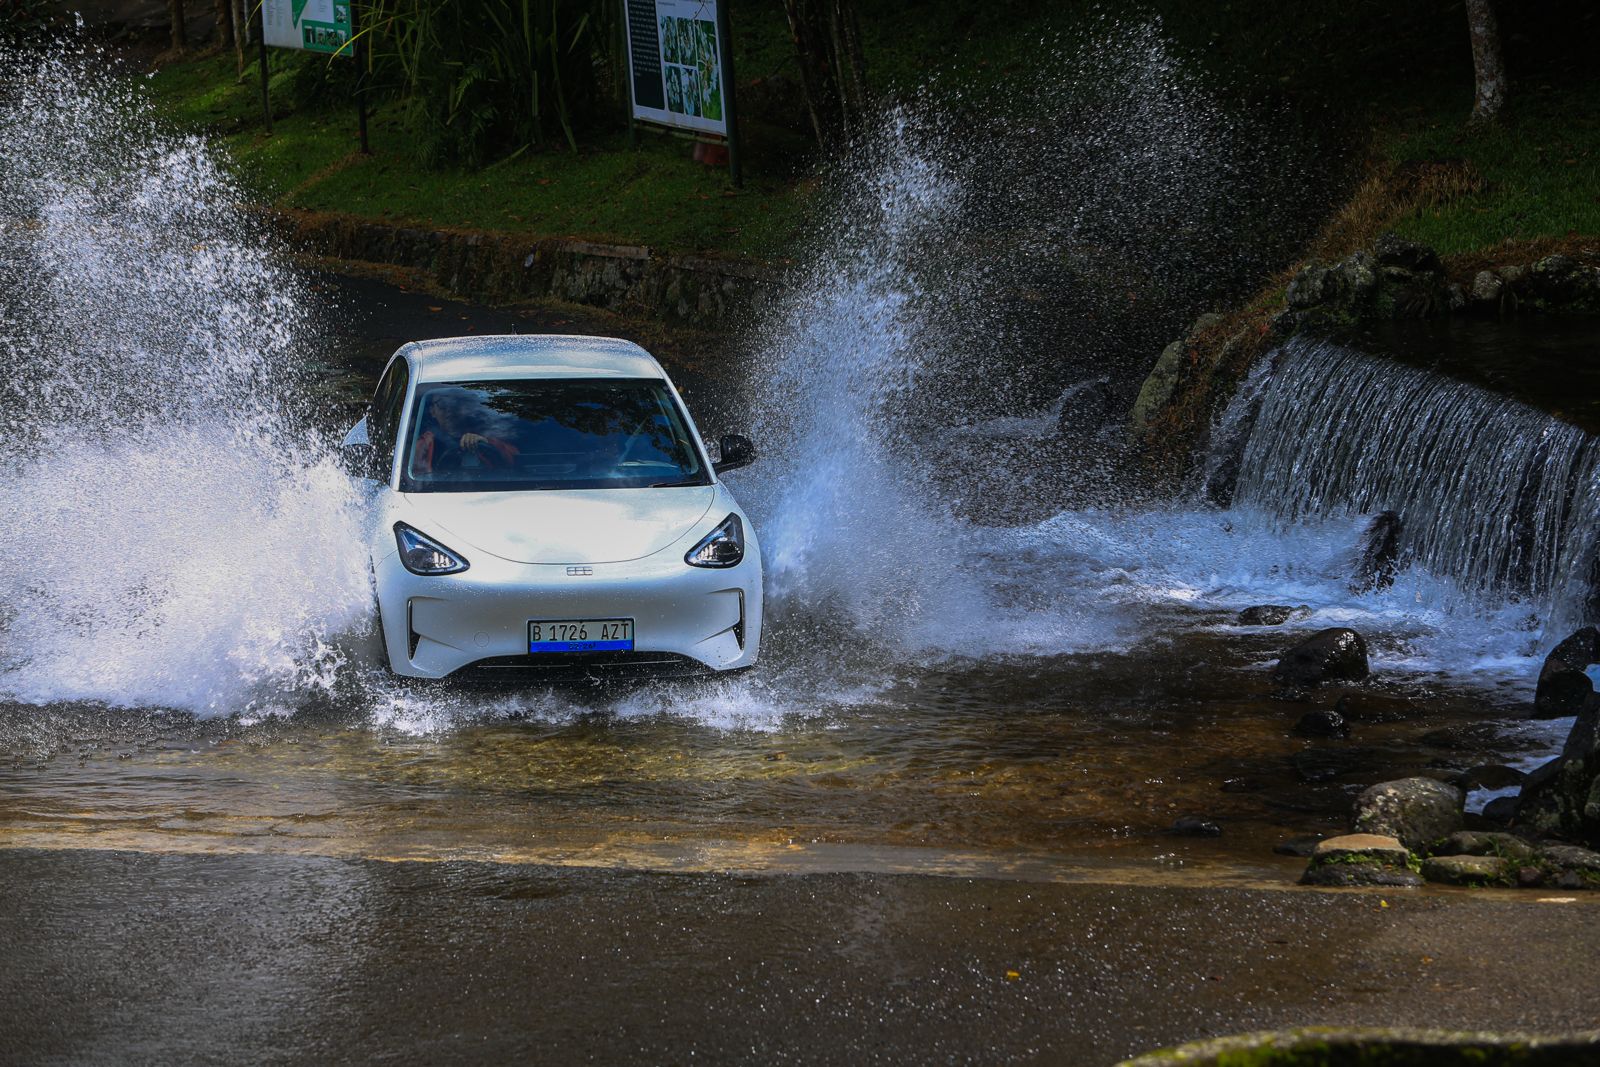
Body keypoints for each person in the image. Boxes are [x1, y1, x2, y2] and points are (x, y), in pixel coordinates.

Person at [413, 390, 518, 475]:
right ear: (432, 411)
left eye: (454, 403)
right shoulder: (424, 444)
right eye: (443, 403)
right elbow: (417, 479)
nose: (450, 409)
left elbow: (515, 459)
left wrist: (486, 443)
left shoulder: (487, 432)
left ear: (464, 409)